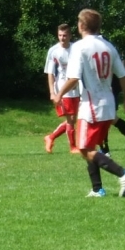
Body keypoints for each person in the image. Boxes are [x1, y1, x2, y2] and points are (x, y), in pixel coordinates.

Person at [54, 9, 125, 197]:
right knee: (90, 146)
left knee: (83, 148)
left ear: (82, 26)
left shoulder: (80, 47)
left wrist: (59, 94)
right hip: (108, 103)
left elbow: (74, 78)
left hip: (91, 105)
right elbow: (123, 75)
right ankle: (97, 188)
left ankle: (124, 174)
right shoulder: (108, 46)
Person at [43, 23, 81, 154]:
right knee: (71, 119)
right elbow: (50, 72)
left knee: (74, 119)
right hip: (63, 90)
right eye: (60, 35)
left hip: (77, 88)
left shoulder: (76, 49)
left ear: (70, 35)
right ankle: (73, 147)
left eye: (65, 35)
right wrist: (52, 92)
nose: (62, 38)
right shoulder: (54, 51)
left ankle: (50, 137)